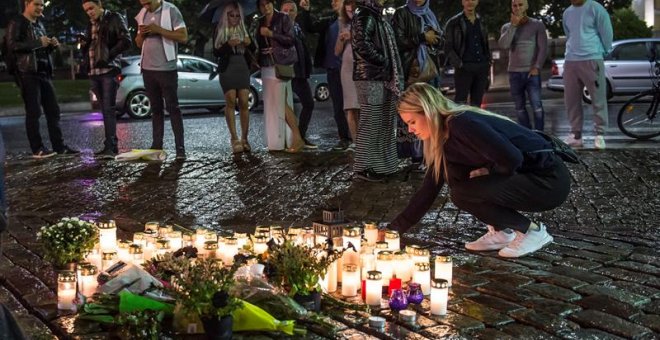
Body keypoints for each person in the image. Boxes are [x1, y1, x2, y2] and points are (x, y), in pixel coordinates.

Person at [389, 83, 571, 258]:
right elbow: (429, 189)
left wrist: (489, 171)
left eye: (412, 122)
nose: (410, 130)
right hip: (527, 176)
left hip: (548, 180)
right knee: (457, 180)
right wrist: (393, 230)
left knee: (462, 193)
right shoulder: (443, 140)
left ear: (428, 112)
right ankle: (502, 231)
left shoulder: (460, 124)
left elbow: (512, 158)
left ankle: (532, 231)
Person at [6, 0, 80, 158]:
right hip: (27, 72)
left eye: (42, 5)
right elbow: (12, 46)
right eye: (37, 4)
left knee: (53, 110)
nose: (40, 8)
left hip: (43, 72)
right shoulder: (17, 22)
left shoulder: (40, 25)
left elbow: (41, 48)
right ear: (27, 4)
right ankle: (37, 149)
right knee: (33, 112)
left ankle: (59, 147)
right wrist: (37, 42)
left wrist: (51, 45)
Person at [351, 0, 402, 181]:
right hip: (370, 76)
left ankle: (380, 165)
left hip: (378, 75)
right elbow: (361, 43)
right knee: (371, 121)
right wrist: (383, 60)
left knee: (380, 121)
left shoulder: (375, 14)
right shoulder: (365, 13)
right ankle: (364, 167)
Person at [135, 0, 188, 159]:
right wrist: (142, 34)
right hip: (147, 70)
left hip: (166, 69)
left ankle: (180, 148)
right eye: (143, 3)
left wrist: (158, 30)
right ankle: (156, 145)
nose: (146, 6)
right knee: (156, 110)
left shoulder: (171, 10)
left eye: (148, 3)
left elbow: (183, 36)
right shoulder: (142, 13)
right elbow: (138, 43)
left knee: (173, 108)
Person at [392, 0, 442, 170]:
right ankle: (417, 155)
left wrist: (435, 39)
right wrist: (422, 37)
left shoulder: (430, 13)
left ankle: (432, 154)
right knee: (414, 114)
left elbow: (439, 41)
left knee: (431, 114)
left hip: (431, 71)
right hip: (411, 71)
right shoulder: (402, 13)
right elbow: (397, 42)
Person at [299, 0, 352, 151]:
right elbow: (311, 27)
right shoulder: (330, 21)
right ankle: (344, 137)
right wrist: (306, 11)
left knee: (353, 105)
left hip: (350, 70)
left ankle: (357, 137)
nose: (332, 2)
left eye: (337, 0)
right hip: (333, 69)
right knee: (338, 106)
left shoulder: (355, 20)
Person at [81, 0, 131, 159]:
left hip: (108, 70)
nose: (89, 12)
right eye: (86, 10)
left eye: (91, 8)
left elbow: (126, 40)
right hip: (94, 71)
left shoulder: (113, 18)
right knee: (104, 109)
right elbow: (90, 46)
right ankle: (110, 144)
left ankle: (110, 146)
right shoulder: (90, 24)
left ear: (99, 5)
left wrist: (108, 56)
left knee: (108, 109)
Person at [254, 0, 305, 152]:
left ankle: (297, 137)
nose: (265, 7)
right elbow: (260, 43)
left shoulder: (283, 18)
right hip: (266, 64)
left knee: (281, 102)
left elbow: (291, 40)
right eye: (262, 5)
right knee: (272, 104)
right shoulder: (260, 21)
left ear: (272, 3)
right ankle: (276, 141)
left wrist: (271, 34)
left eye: (268, 3)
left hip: (280, 63)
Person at [562, 0, 612, 149]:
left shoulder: (596, 8)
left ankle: (600, 135)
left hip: (591, 58)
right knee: (571, 100)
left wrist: (602, 51)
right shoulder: (567, 13)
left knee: (598, 99)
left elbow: (607, 32)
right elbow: (568, 34)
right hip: (571, 60)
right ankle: (576, 136)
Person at [498, 0, 547, 131]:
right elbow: (503, 45)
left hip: (531, 72)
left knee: (537, 107)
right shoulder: (506, 27)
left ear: (526, 6)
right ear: (511, 7)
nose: (518, 8)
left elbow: (543, 48)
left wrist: (537, 67)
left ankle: (540, 134)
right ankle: (527, 134)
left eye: (520, 4)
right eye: (515, 5)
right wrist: (513, 26)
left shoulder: (537, 25)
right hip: (514, 72)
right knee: (519, 108)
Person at [213, 1, 253, 154]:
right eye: (232, 15)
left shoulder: (243, 28)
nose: (235, 18)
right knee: (230, 99)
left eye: (237, 15)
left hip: (242, 64)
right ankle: (234, 138)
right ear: (226, 15)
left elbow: (253, 48)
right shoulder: (219, 29)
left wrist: (247, 42)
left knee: (244, 101)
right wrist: (228, 44)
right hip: (227, 67)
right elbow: (216, 53)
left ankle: (245, 138)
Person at [281, 0, 317, 149]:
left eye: (291, 10)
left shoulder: (297, 27)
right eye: (285, 10)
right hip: (288, 72)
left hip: (300, 73)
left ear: (296, 13)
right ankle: (293, 137)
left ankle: (300, 135)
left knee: (308, 104)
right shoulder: (280, 28)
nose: (288, 13)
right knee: (285, 105)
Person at [444, 0, 491, 107]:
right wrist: (459, 64)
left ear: (477, 1)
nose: (470, 2)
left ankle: (474, 124)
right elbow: (448, 47)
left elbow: (485, 42)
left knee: (477, 104)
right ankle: (460, 124)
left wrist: (487, 61)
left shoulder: (482, 21)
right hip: (464, 67)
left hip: (481, 66)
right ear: (462, 2)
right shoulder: (454, 22)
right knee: (460, 103)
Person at [334, 0, 359, 145]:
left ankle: (364, 143)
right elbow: (336, 51)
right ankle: (356, 143)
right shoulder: (342, 23)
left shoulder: (365, 21)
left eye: (353, 11)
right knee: (350, 107)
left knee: (362, 106)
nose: (350, 13)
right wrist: (341, 39)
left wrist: (353, 36)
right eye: (348, 11)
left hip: (362, 67)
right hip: (347, 68)